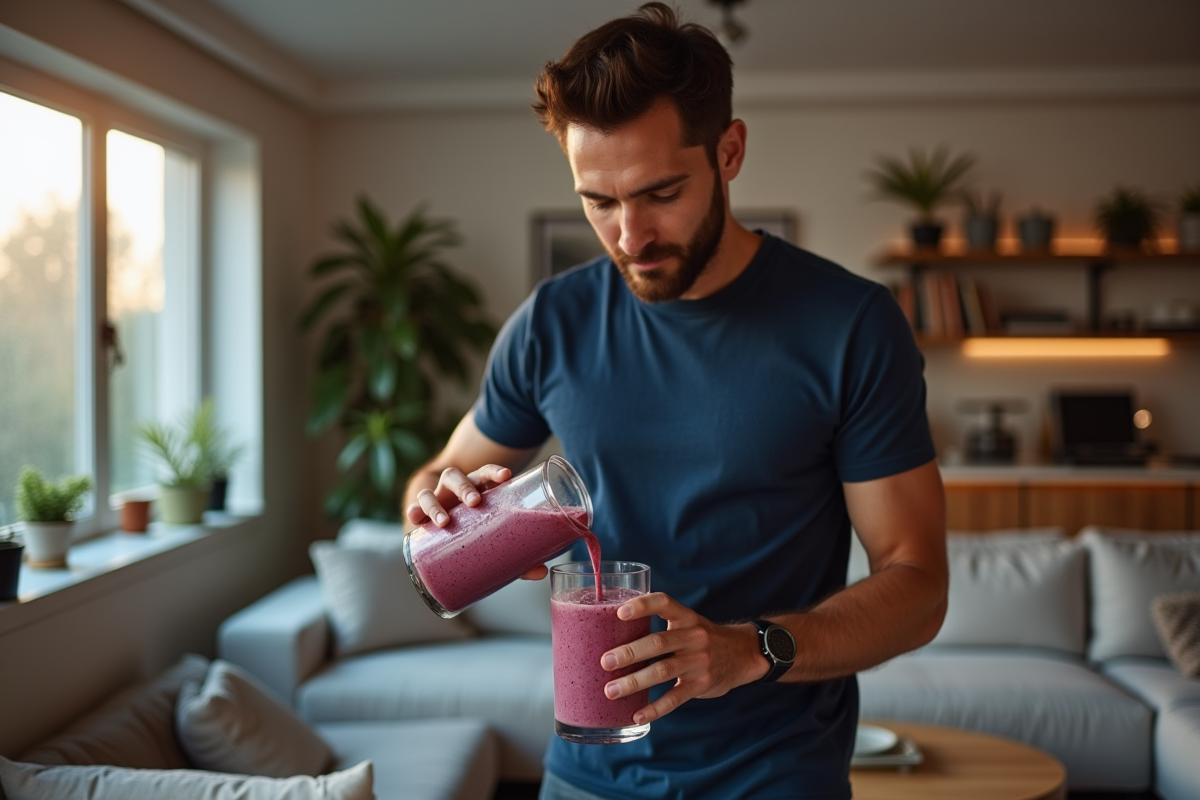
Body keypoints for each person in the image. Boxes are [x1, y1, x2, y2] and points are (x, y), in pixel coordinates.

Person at [403, 4, 948, 798]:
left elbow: (918, 582)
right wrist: (442, 502)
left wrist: (751, 648)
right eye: (598, 201)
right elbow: (443, 475)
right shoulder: (551, 323)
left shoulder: (851, 326)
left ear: (729, 151)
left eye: (660, 193)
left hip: (776, 774)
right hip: (585, 772)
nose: (630, 236)